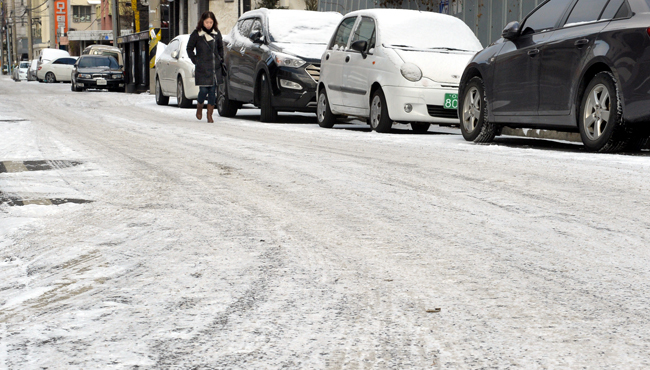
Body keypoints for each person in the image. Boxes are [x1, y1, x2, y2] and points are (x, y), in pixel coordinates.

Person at [186, 11, 224, 123]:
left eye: (211, 22)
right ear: (202, 21)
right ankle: (199, 108)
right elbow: (189, 48)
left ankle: (210, 115)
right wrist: (195, 60)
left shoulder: (217, 33)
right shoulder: (197, 33)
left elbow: (220, 47)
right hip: (202, 68)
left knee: (212, 92)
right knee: (203, 90)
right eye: (207, 22)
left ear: (214, 22)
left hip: (214, 68)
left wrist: (221, 58)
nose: (208, 24)